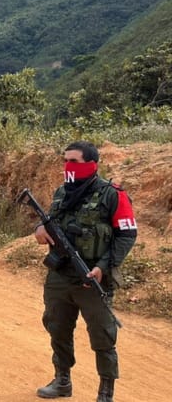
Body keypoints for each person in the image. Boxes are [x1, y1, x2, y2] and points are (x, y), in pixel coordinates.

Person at [34, 141, 137, 402]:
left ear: (92, 164)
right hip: (59, 276)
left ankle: (105, 393)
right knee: (57, 327)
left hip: (92, 278)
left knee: (102, 336)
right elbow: (49, 223)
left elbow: (126, 234)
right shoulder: (61, 193)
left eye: (75, 161)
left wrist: (103, 267)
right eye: (65, 160)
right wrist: (40, 230)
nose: (68, 166)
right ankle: (62, 381)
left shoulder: (112, 194)